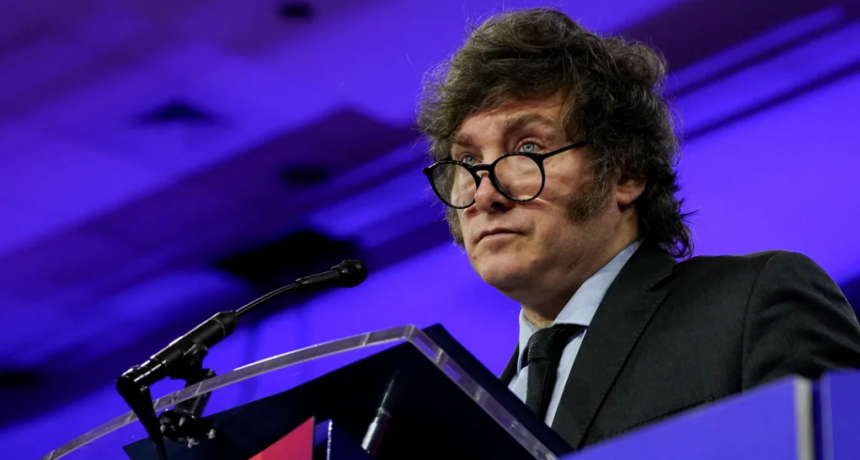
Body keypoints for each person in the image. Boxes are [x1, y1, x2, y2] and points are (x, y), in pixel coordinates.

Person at [416, 7, 860, 450]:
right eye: (468, 160)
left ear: (626, 173)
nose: (485, 194)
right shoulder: (477, 422)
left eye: (528, 148)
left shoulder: (754, 305)